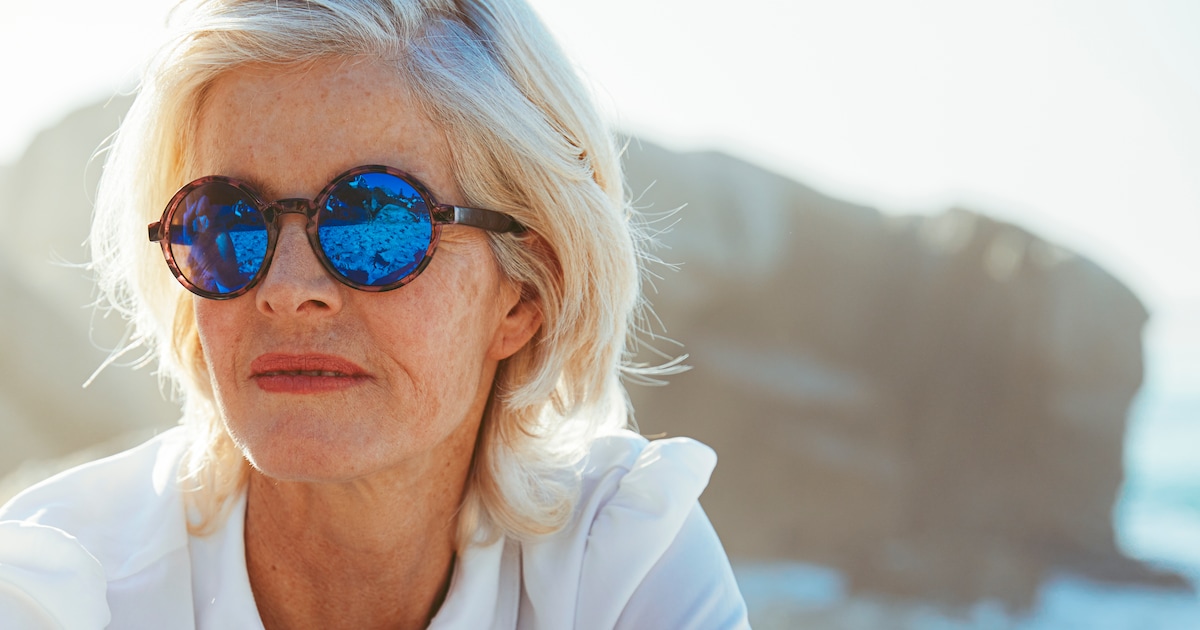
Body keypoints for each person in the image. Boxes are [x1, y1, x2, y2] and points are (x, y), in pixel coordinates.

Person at [0, 0, 749, 627]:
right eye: (228, 222)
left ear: (523, 295)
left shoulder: (621, 563)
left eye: (375, 223)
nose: (288, 288)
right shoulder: (59, 592)